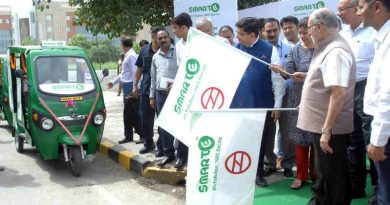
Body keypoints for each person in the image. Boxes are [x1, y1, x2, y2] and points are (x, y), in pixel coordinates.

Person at [297, 8, 355, 205]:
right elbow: (329, 80)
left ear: (319, 27)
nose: (308, 33)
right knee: (326, 172)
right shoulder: (328, 47)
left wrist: (326, 130)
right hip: (325, 127)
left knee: (332, 175)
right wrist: (308, 77)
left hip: (330, 129)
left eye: (309, 28)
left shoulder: (335, 51)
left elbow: (338, 93)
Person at [231, 17, 285, 187]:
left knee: (259, 142)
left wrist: (277, 105)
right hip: (239, 106)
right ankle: (240, 173)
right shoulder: (235, 49)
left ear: (252, 34)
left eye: (241, 34)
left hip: (262, 106)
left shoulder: (269, 50)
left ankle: (257, 174)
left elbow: (277, 80)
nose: (237, 36)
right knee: (241, 141)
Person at [337, 0, 377, 200]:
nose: (339, 14)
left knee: (372, 137)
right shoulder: (342, 34)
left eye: (342, 10)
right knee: (352, 140)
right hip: (346, 88)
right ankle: (356, 186)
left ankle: (379, 189)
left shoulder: (372, 31)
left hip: (367, 87)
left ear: (354, 9)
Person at [274, 17, 316, 190]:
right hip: (296, 98)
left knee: (316, 138)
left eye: (306, 32)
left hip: (317, 99)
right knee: (299, 138)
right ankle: (300, 175)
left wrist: (307, 76)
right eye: (301, 33)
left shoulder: (323, 49)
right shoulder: (295, 49)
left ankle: (316, 174)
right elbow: (289, 71)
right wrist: (281, 70)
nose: (303, 36)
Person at [356, 0, 390, 204]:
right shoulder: (381, 38)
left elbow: (387, 94)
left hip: (385, 132)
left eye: (360, 6)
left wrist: (378, 139)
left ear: (376, 7)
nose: (358, 12)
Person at [263, 17, 294, 178]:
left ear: (279, 30)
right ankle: (270, 162)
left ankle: (288, 163)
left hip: (287, 95)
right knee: (268, 131)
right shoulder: (261, 50)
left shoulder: (290, 49)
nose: (272, 33)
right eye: (268, 31)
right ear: (263, 31)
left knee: (287, 130)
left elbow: (291, 75)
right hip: (267, 95)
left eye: (275, 30)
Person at [149, 29, 178, 166]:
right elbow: (153, 79)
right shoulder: (155, 57)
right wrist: (152, 97)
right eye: (159, 38)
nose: (163, 40)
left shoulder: (178, 52)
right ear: (156, 40)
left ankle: (182, 155)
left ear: (169, 37)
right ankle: (169, 154)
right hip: (161, 94)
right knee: (164, 126)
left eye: (165, 37)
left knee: (179, 124)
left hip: (178, 93)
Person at [133, 27, 163, 154]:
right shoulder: (144, 50)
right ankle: (148, 143)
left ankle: (162, 146)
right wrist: (135, 86)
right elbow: (139, 70)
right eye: (157, 37)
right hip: (145, 91)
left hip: (161, 91)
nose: (160, 40)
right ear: (153, 37)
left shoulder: (167, 50)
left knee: (162, 121)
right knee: (146, 120)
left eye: (162, 38)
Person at [107, 37, 142, 144]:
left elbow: (136, 73)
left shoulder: (131, 56)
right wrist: (113, 82)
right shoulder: (128, 55)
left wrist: (136, 88)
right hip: (127, 87)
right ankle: (128, 136)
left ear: (123, 45)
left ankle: (143, 135)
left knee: (134, 113)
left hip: (131, 87)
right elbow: (123, 74)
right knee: (127, 114)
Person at [171, 12, 191, 169]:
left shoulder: (200, 42)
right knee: (183, 124)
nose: (173, 32)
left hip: (201, 92)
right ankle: (182, 157)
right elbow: (180, 69)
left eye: (175, 28)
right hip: (185, 91)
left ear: (184, 28)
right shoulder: (178, 46)